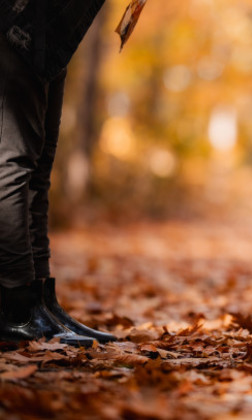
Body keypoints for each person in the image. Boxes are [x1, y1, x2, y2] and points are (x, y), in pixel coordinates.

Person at [0, 0, 115, 346]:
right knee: (15, 160)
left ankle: (41, 300)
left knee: (39, 167)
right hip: (20, 21)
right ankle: (15, 306)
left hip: (54, 33)